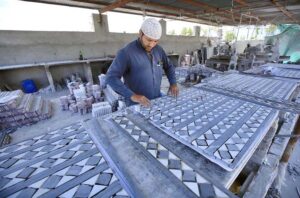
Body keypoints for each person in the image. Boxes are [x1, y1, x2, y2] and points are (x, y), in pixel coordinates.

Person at [106, 18, 179, 107]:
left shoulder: (159, 50)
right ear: (140, 33)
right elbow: (111, 78)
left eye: (155, 41)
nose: (152, 44)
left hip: (156, 99)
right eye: (149, 40)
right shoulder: (126, 53)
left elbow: (169, 67)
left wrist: (173, 83)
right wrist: (132, 96)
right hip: (136, 105)